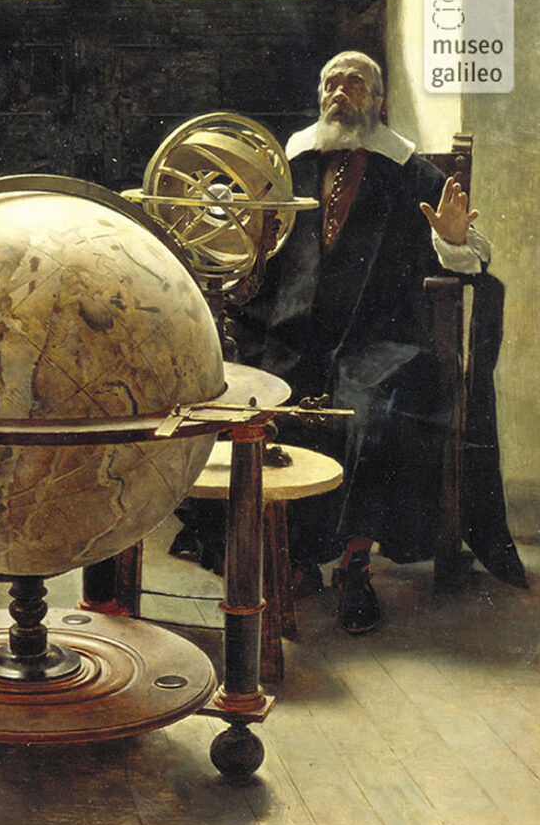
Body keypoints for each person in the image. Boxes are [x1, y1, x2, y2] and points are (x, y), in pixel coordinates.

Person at [179, 51, 527, 633]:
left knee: (375, 416)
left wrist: (452, 240)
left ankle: (353, 565)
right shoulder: (286, 167)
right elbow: (250, 254)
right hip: (293, 336)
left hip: (380, 341)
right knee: (257, 406)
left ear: (378, 101)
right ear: (320, 97)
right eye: (332, 83)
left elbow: (474, 252)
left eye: (355, 83)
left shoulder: (410, 170)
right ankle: (289, 558)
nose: (341, 92)